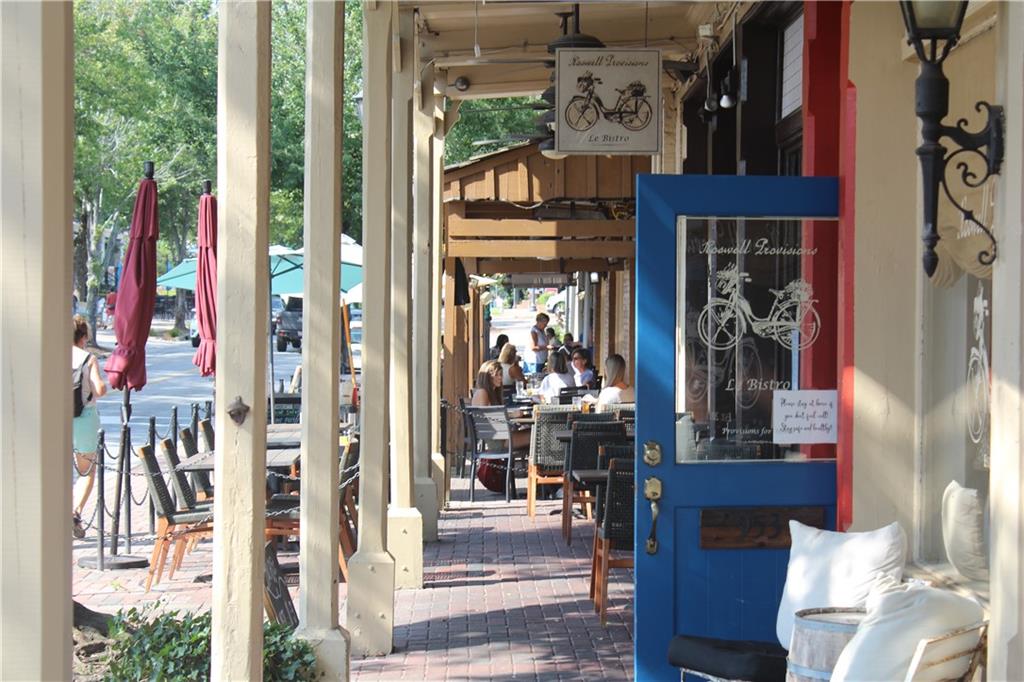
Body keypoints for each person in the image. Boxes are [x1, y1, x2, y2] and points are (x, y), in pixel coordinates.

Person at [71, 315, 108, 538]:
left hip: (54, 418)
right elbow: (101, 389)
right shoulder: (88, 358)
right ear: (83, 336)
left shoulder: (50, 353)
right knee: (86, 471)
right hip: (84, 418)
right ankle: (74, 512)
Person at [471, 360, 530, 449]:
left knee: (536, 432)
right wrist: (512, 415)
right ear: (487, 377)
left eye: (501, 374)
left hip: (500, 437)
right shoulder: (482, 393)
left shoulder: (490, 393)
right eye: (496, 375)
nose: (500, 378)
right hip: (497, 441)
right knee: (537, 435)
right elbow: (486, 416)